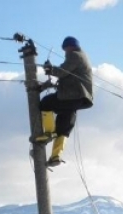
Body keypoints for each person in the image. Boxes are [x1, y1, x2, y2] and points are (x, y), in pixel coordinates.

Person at [36, 36, 93, 167]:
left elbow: (62, 72)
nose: (65, 52)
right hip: (80, 98)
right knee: (64, 125)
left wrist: (50, 69)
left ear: (69, 46)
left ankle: (48, 133)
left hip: (74, 95)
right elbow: (67, 77)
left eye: (65, 49)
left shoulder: (75, 55)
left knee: (46, 103)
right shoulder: (82, 57)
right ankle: (56, 156)